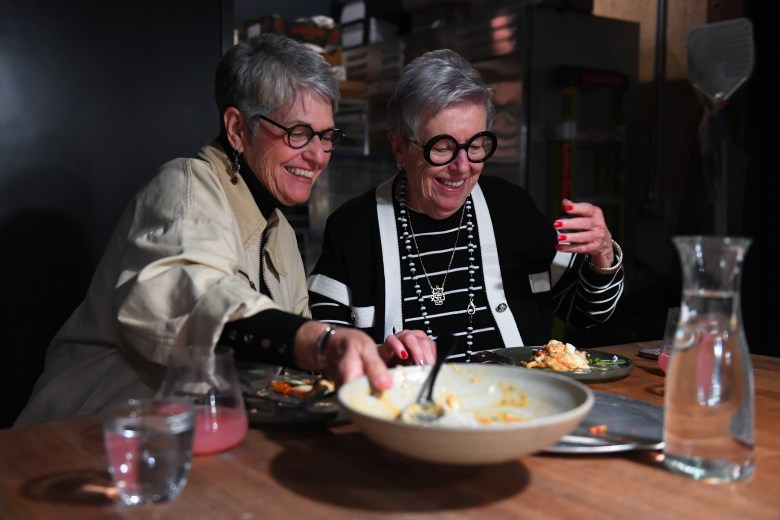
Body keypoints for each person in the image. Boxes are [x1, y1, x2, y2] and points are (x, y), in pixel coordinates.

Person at [15, 34, 435, 427]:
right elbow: (195, 300)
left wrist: (367, 358)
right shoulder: (186, 184)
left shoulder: (280, 232)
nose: (318, 155)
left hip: (183, 440)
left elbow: (293, 356)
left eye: (326, 136)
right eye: (298, 133)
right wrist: (321, 341)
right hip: (79, 440)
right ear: (236, 129)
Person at [307, 48, 625, 360]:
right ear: (400, 148)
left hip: (516, 394)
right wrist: (378, 354)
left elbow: (586, 312)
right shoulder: (353, 229)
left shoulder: (512, 209)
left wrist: (602, 255)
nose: (462, 167)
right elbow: (319, 349)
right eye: (442, 147)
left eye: (475, 146)